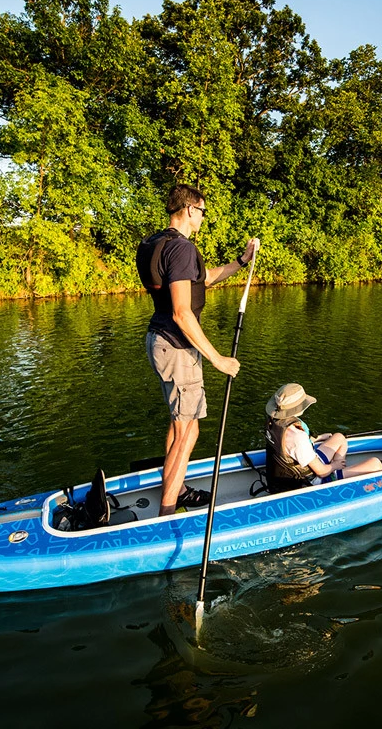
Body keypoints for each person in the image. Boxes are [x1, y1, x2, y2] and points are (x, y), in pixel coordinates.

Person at [138, 184, 259, 516]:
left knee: (181, 424)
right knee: (188, 431)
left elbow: (202, 279)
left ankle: (174, 489)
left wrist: (240, 261)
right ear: (190, 209)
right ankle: (166, 513)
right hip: (177, 346)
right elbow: (181, 312)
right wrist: (218, 359)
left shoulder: (154, 244)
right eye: (203, 211)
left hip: (159, 340)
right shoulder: (182, 249)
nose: (204, 217)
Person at [264, 383, 382, 493]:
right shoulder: (298, 437)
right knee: (376, 464)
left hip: (286, 472)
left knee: (339, 438)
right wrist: (334, 465)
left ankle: (340, 474)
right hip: (309, 480)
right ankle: (335, 479)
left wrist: (318, 438)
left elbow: (287, 447)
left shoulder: (274, 422)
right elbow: (321, 471)